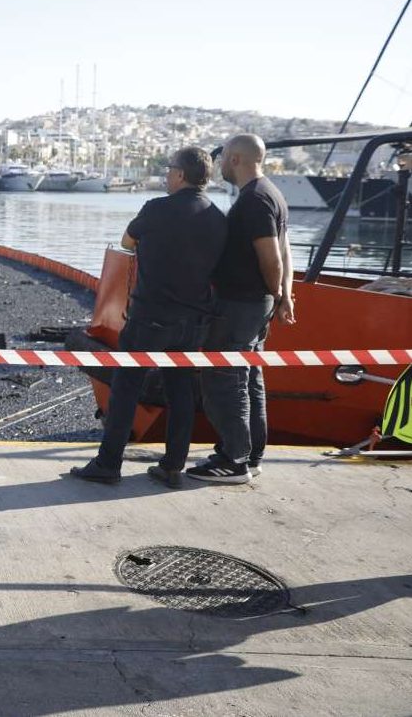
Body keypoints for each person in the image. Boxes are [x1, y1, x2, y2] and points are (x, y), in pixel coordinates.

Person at [71, 146, 227, 488]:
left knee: (126, 388)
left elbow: (127, 242)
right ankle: (173, 466)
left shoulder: (156, 208)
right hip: (194, 322)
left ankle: (108, 464)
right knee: (181, 391)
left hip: (150, 318)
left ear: (181, 175)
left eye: (169, 168)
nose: (166, 174)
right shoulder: (218, 218)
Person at [187, 133, 294, 484]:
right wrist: (283, 296)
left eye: (222, 159)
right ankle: (251, 455)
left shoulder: (254, 200)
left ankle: (233, 460)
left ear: (235, 159)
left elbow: (272, 257)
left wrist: (276, 291)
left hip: (240, 304)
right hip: (256, 304)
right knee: (249, 378)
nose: (219, 166)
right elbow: (286, 249)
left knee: (224, 379)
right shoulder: (272, 193)